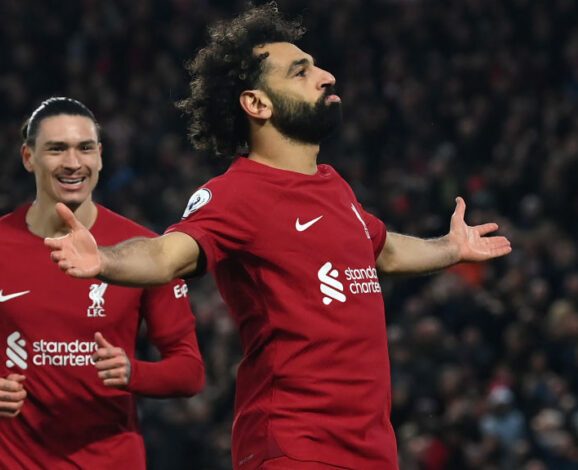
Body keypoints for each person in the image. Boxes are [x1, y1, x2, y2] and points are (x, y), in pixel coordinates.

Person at [45, 4, 511, 469]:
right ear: (257, 104)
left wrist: (450, 248)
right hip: (293, 446)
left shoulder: (333, 186)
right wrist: (104, 260)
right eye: (301, 71)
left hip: (371, 451)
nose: (327, 76)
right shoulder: (235, 193)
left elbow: (383, 249)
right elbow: (168, 253)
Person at [0, 97, 205, 469]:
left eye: (84, 148)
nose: (73, 163)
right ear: (28, 157)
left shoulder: (145, 252)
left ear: (100, 156)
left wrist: (133, 372)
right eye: (56, 149)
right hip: (17, 460)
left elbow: (190, 372)